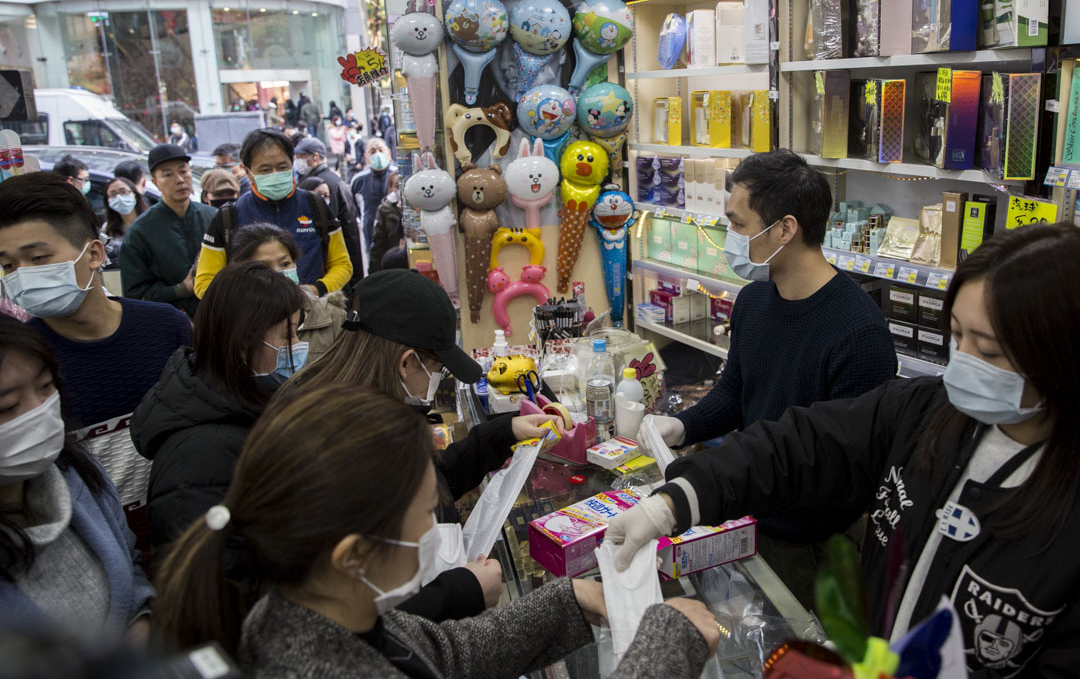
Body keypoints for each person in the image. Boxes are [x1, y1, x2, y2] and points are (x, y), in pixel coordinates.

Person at [609, 222, 1080, 676]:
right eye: (957, 336)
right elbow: (801, 444)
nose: (965, 364)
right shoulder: (924, 410)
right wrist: (674, 502)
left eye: (991, 351)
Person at [153, 384, 720, 678]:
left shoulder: (322, 613)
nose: (439, 532)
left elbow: (444, 655)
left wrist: (568, 601)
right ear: (353, 556)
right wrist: (667, 649)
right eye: (428, 517)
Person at [637, 150, 896, 607]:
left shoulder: (860, 334)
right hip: (748, 516)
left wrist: (730, 480)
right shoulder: (755, 301)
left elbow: (846, 473)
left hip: (815, 550)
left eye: (738, 225)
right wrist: (684, 426)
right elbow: (737, 391)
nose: (729, 237)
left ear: (785, 229)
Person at [280, 268, 559, 622]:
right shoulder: (341, 445)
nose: (439, 378)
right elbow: (349, 616)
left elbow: (429, 483)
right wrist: (461, 593)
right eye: (438, 367)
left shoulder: (355, 407)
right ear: (407, 362)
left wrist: (504, 433)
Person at [0, 172, 191, 556]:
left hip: (185, 536)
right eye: (8, 266)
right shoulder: (26, 365)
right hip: (99, 551)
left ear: (94, 254)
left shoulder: (166, 327)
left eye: (38, 258)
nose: (22, 276)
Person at [131, 262, 306, 555]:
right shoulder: (199, 455)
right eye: (288, 335)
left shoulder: (253, 400)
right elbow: (206, 577)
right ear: (243, 342)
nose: (299, 345)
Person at [0, 315, 154, 641]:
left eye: (45, 387)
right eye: (7, 407)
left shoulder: (79, 473)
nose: (39, 414)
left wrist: (138, 643)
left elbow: (130, 572)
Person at [195, 129, 352, 300]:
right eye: (265, 170)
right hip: (255, 321)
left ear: (292, 164)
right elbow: (204, 282)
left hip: (314, 315)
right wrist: (246, 298)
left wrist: (317, 289)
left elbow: (342, 264)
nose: (275, 174)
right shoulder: (228, 217)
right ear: (247, 171)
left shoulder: (316, 206)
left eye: (282, 167)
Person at [120, 144, 217, 318]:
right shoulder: (141, 231)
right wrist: (180, 290)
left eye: (184, 171)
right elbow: (135, 294)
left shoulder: (213, 217)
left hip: (220, 316)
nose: (179, 179)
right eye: (168, 174)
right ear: (155, 182)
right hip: (172, 322)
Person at [229, 222, 346, 363]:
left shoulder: (332, 317)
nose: (278, 273)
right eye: (264, 267)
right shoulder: (235, 323)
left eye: (285, 264)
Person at [295, 137, 364, 284]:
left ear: (315, 157)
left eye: (301, 157)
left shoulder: (324, 184)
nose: (297, 161)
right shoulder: (329, 180)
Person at [351, 138, 396, 265]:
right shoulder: (358, 180)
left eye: (380, 150)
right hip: (370, 232)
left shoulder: (397, 174)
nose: (377, 154)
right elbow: (354, 208)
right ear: (366, 157)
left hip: (395, 232)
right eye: (372, 151)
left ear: (388, 153)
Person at [101, 177, 149, 268]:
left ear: (134, 194)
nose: (119, 197)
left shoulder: (151, 221)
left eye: (123, 192)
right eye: (113, 194)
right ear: (108, 201)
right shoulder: (108, 228)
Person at [369, 171, 402, 273]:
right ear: (391, 188)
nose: (401, 190)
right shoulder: (385, 209)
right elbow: (378, 243)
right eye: (397, 186)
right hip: (394, 266)